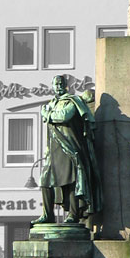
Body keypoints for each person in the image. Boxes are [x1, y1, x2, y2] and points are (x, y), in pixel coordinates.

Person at [32, 75, 103, 225]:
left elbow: (64, 116)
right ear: (52, 86)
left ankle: (73, 213)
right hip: (53, 149)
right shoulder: (52, 103)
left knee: (70, 181)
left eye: (61, 83)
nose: (58, 86)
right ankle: (47, 215)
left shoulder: (72, 101)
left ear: (66, 86)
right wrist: (46, 152)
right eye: (55, 83)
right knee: (45, 181)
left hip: (69, 146)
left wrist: (47, 114)